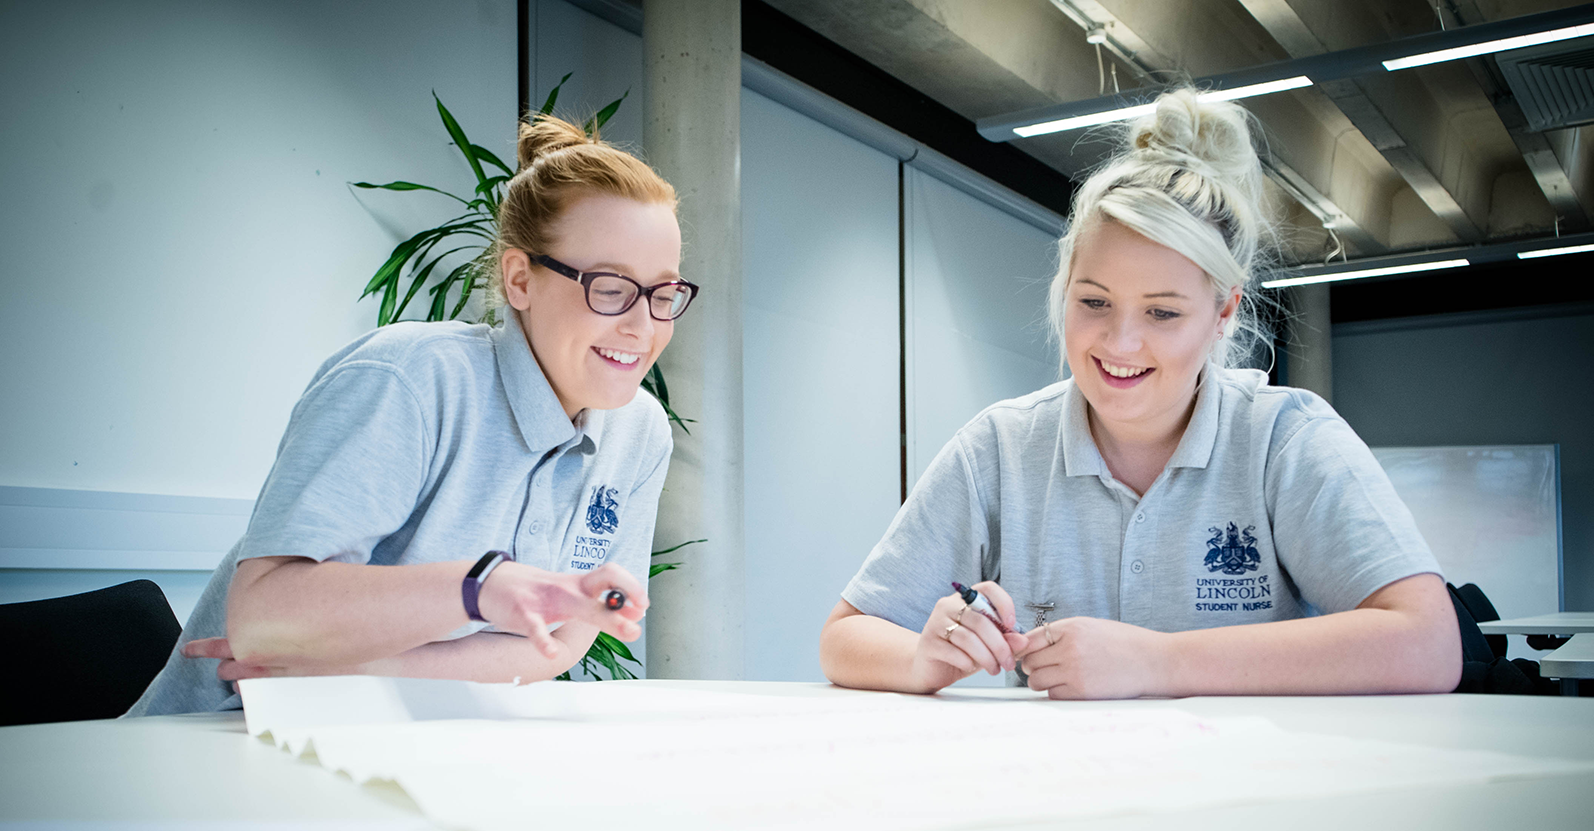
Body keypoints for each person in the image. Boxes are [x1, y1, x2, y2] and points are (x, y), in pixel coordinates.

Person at [818, 89, 1462, 700]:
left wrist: (1158, 661)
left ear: (1223, 313)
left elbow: (1429, 643)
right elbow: (845, 637)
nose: (1120, 344)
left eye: (1162, 313)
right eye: (1094, 302)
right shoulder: (1001, 447)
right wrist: (921, 657)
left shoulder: (1282, 438)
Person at [128, 113, 694, 715]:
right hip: (226, 734)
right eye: (610, 288)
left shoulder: (639, 431)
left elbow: (560, 645)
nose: (643, 326)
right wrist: (481, 589)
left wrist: (357, 671)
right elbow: (264, 619)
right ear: (521, 279)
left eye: (664, 295)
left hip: (407, 730)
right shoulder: (409, 380)